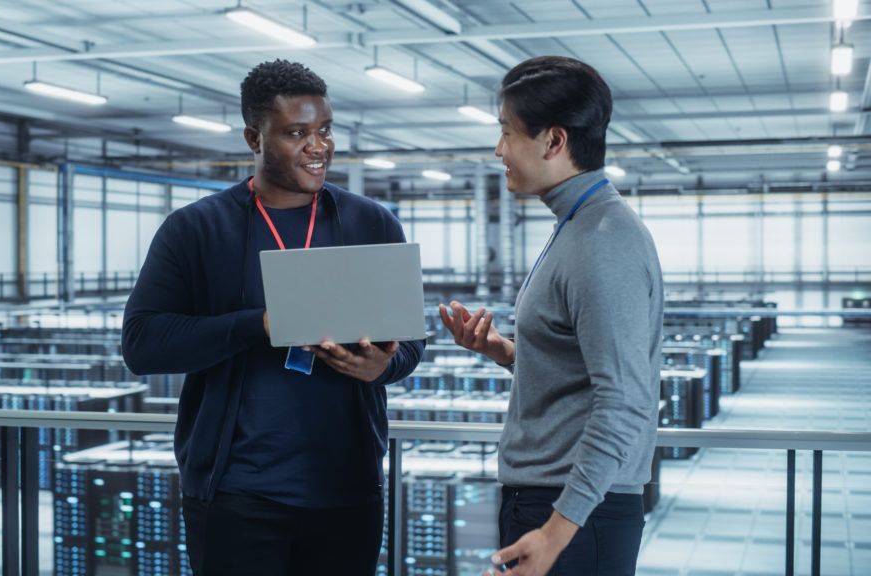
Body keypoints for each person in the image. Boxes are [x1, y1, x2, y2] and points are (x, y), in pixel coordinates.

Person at [122, 59, 424, 576]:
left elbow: (411, 343)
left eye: (325, 130)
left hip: (346, 491)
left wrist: (385, 367)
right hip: (236, 495)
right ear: (253, 138)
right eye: (297, 133)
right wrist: (259, 324)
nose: (319, 146)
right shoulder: (195, 230)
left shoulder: (370, 223)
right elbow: (143, 344)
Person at [438, 56, 663, 576]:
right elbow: (579, 374)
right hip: (552, 503)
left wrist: (558, 531)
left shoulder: (603, 243)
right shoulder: (578, 227)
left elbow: (626, 401)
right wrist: (504, 351)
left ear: (553, 141)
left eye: (507, 132)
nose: (498, 150)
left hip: (573, 513)